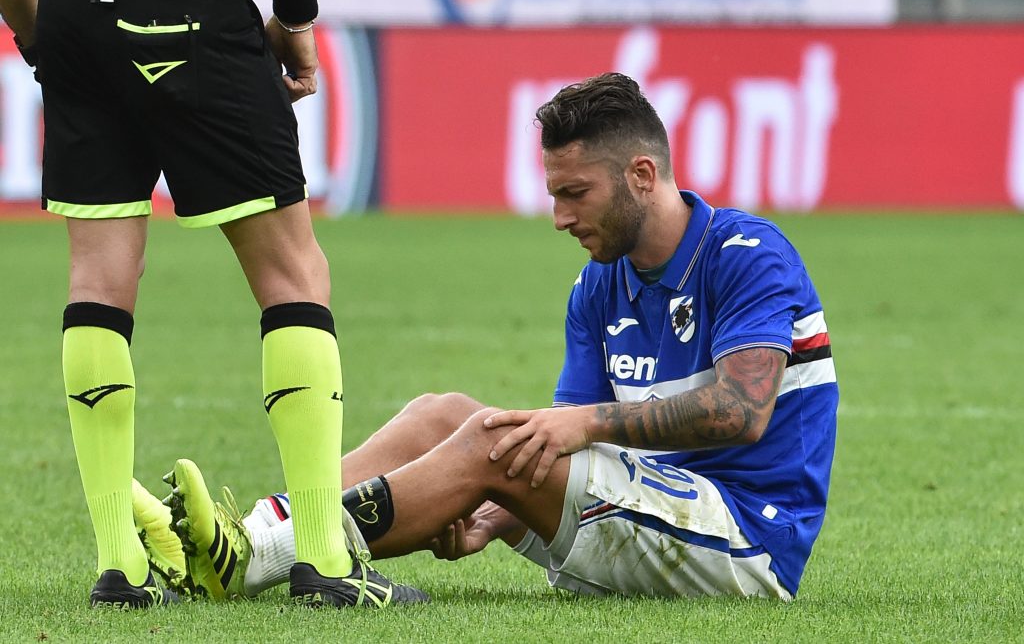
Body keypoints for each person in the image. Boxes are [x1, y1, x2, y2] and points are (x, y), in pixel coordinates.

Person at [137, 71, 838, 601]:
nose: (559, 217)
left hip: (746, 541)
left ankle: (259, 558)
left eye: (575, 193)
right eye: (554, 194)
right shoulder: (599, 284)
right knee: (442, 414)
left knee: (485, 440)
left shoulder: (746, 255)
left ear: (642, 175)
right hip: (648, 509)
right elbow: (561, 451)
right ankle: (248, 531)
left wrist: (571, 431)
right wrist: (495, 516)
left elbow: (742, 410)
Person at [0, 0, 424, 609]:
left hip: (72, 18)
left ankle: (121, 569)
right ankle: (324, 561)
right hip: (190, 15)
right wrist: (296, 21)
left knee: (97, 281)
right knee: (294, 276)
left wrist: (44, 29)